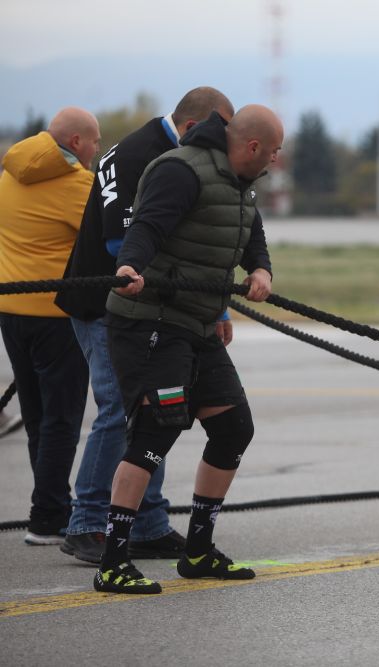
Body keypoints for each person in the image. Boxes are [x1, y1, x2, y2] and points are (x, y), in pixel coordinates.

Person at [93, 104, 282, 594]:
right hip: (151, 321)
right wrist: (131, 266)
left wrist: (260, 269)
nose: (276, 161)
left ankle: (198, 551)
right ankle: (112, 562)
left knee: (233, 427)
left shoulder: (240, 182)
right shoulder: (182, 169)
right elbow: (146, 227)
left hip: (196, 323)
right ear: (254, 146)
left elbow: (249, 231)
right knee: (156, 432)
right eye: (275, 151)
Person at [55, 87, 235, 565]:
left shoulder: (151, 147)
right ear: (197, 128)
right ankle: (89, 522)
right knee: (120, 411)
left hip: (131, 303)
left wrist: (214, 305)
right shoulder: (146, 156)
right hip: (107, 304)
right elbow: (123, 244)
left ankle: (148, 524)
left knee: (150, 412)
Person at [0, 108, 101, 545]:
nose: (97, 150)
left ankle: (49, 504)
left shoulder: (8, 176)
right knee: (62, 419)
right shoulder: (77, 185)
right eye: (95, 142)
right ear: (76, 142)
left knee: (38, 417)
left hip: (11, 311)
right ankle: (48, 518)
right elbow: (106, 238)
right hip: (57, 317)